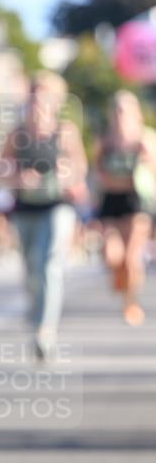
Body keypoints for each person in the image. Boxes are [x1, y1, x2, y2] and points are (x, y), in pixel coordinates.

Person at [1, 73, 87, 359]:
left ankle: (44, 331)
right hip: (25, 208)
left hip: (56, 205)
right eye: (35, 96)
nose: (39, 103)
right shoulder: (17, 133)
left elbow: (79, 168)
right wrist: (18, 178)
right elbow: (1, 168)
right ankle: (36, 308)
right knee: (30, 269)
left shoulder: (65, 131)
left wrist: (68, 175)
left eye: (46, 97)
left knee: (49, 263)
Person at [94, 90, 156, 325]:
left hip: (136, 202)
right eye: (117, 110)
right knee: (112, 255)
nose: (121, 115)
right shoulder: (105, 140)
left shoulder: (145, 139)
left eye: (125, 111)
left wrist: (146, 160)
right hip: (112, 200)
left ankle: (130, 302)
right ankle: (119, 276)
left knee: (131, 258)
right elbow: (99, 173)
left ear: (135, 113)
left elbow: (151, 171)